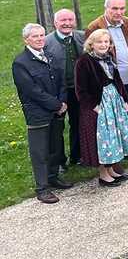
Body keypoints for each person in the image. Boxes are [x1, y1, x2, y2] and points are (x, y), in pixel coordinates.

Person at [13, 23, 70, 203]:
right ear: (26, 39)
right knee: (40, 152)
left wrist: (62, 102)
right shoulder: (21, 63)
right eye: (35, 36)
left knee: (55, 146)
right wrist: (56, 104)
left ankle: (53, 177)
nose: (40, 39)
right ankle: (42, 188)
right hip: (38, 114)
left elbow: (61, 81)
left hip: (56, 111)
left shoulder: (50, 56)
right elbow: (32, 91)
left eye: (42, 35)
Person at [85, 0, 128, 163]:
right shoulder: (95, 26)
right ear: (106, 8)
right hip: (109, 82)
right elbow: (90, 54)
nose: (119, 12)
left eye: (122, 8)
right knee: (112, 119)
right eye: (114, 8)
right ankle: (115, 154)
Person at [75, 29, 128, 190]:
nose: (103, 45)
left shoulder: (109, 58)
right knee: (103, 140)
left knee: (113, 137)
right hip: (98, 105)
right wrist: (94, 107)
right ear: (91, 44)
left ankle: (111, 169)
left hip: (113, 101)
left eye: (106, 42)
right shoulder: (84, 61)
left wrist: (124, 99)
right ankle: (103, 174)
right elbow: (80, 89)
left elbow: (118, 80)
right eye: (99, 42)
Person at [43, 9, 84, 168]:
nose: (67, 23)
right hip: (58, 91)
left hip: (78, 89)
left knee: (78, 122)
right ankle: (60, 161)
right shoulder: (46, 42)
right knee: (57, 127)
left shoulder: (82, 36)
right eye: (63, 20)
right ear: (55, 23)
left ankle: (77, 155)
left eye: (70, 20)